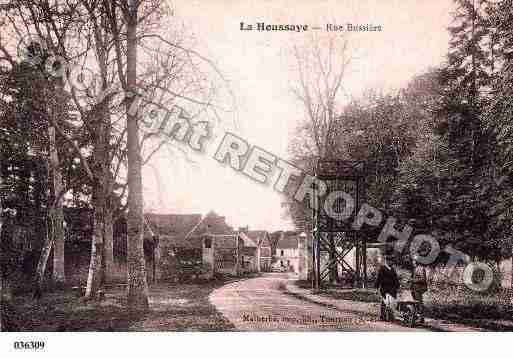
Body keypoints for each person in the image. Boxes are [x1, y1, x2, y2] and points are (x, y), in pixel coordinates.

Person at [376, 256, 400, 321]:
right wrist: (377, 287)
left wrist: (398, 286)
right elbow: (379, 278)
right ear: (387, 261)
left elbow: (396, 279)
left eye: (392, 261)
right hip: (385, 288)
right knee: (384, 302)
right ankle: (383, 316)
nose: (391, 262)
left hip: (392, 289)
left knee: (392, 303)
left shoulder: (393, 270)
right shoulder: (382, 268)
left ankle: (390, 316)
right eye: (390, 261)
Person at [410, 255, 428, 323]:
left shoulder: (420, 268)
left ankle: (421, 318)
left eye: (413, 261)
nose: (412, 262)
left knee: (419, 303)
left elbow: (423, 279)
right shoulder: (416, 268)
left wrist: (413, 280)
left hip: (419, 288)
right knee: (416, 303)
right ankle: (418, 316)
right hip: (415, 288)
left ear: (416, 261)